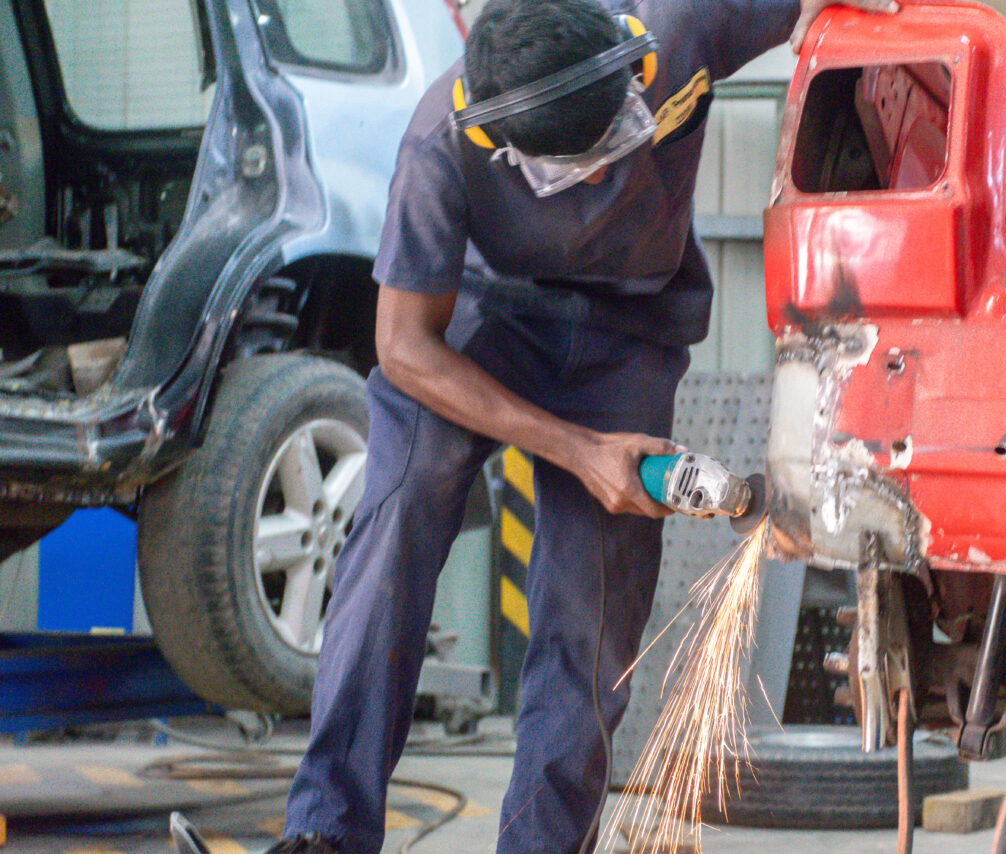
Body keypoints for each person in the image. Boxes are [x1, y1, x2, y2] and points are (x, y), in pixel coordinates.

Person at [272, 0, 899, 851]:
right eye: (577, 168)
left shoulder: (678, 24)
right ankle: (327, 835)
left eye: (619, 141)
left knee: (590, 616)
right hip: (482, 329)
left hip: (627, 337)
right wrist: (575, 450)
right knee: (393, 530)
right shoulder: (441, 144)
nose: (607, 180)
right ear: (505, 147)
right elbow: (405, 346)